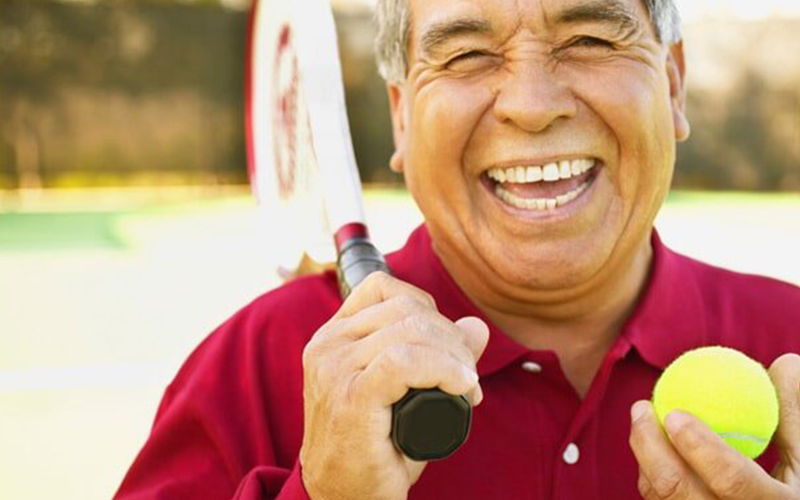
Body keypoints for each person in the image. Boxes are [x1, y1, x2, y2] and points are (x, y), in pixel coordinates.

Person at [114, 0, 800, 498]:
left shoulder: (789, 338)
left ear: (674, 84)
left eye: (590, 38)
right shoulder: (252, 365)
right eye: (467, 53)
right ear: (402, 116)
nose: (531, 105)